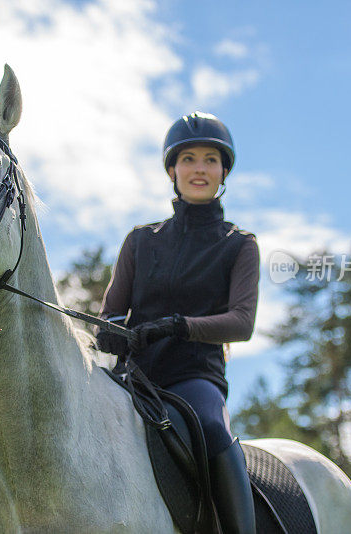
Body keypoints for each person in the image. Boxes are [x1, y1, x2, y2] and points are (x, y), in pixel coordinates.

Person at [96, 111, 258, 534]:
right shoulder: (140, 240)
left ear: (224, 171)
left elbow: (242, 323)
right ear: (172, 170)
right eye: (189, 159)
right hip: (134, 377)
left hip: (193, 378)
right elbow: (111, 311)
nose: (199, 168)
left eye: (210, 159)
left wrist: (176, 325)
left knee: (211, 426)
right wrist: (110, 332)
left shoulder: (239, 245)